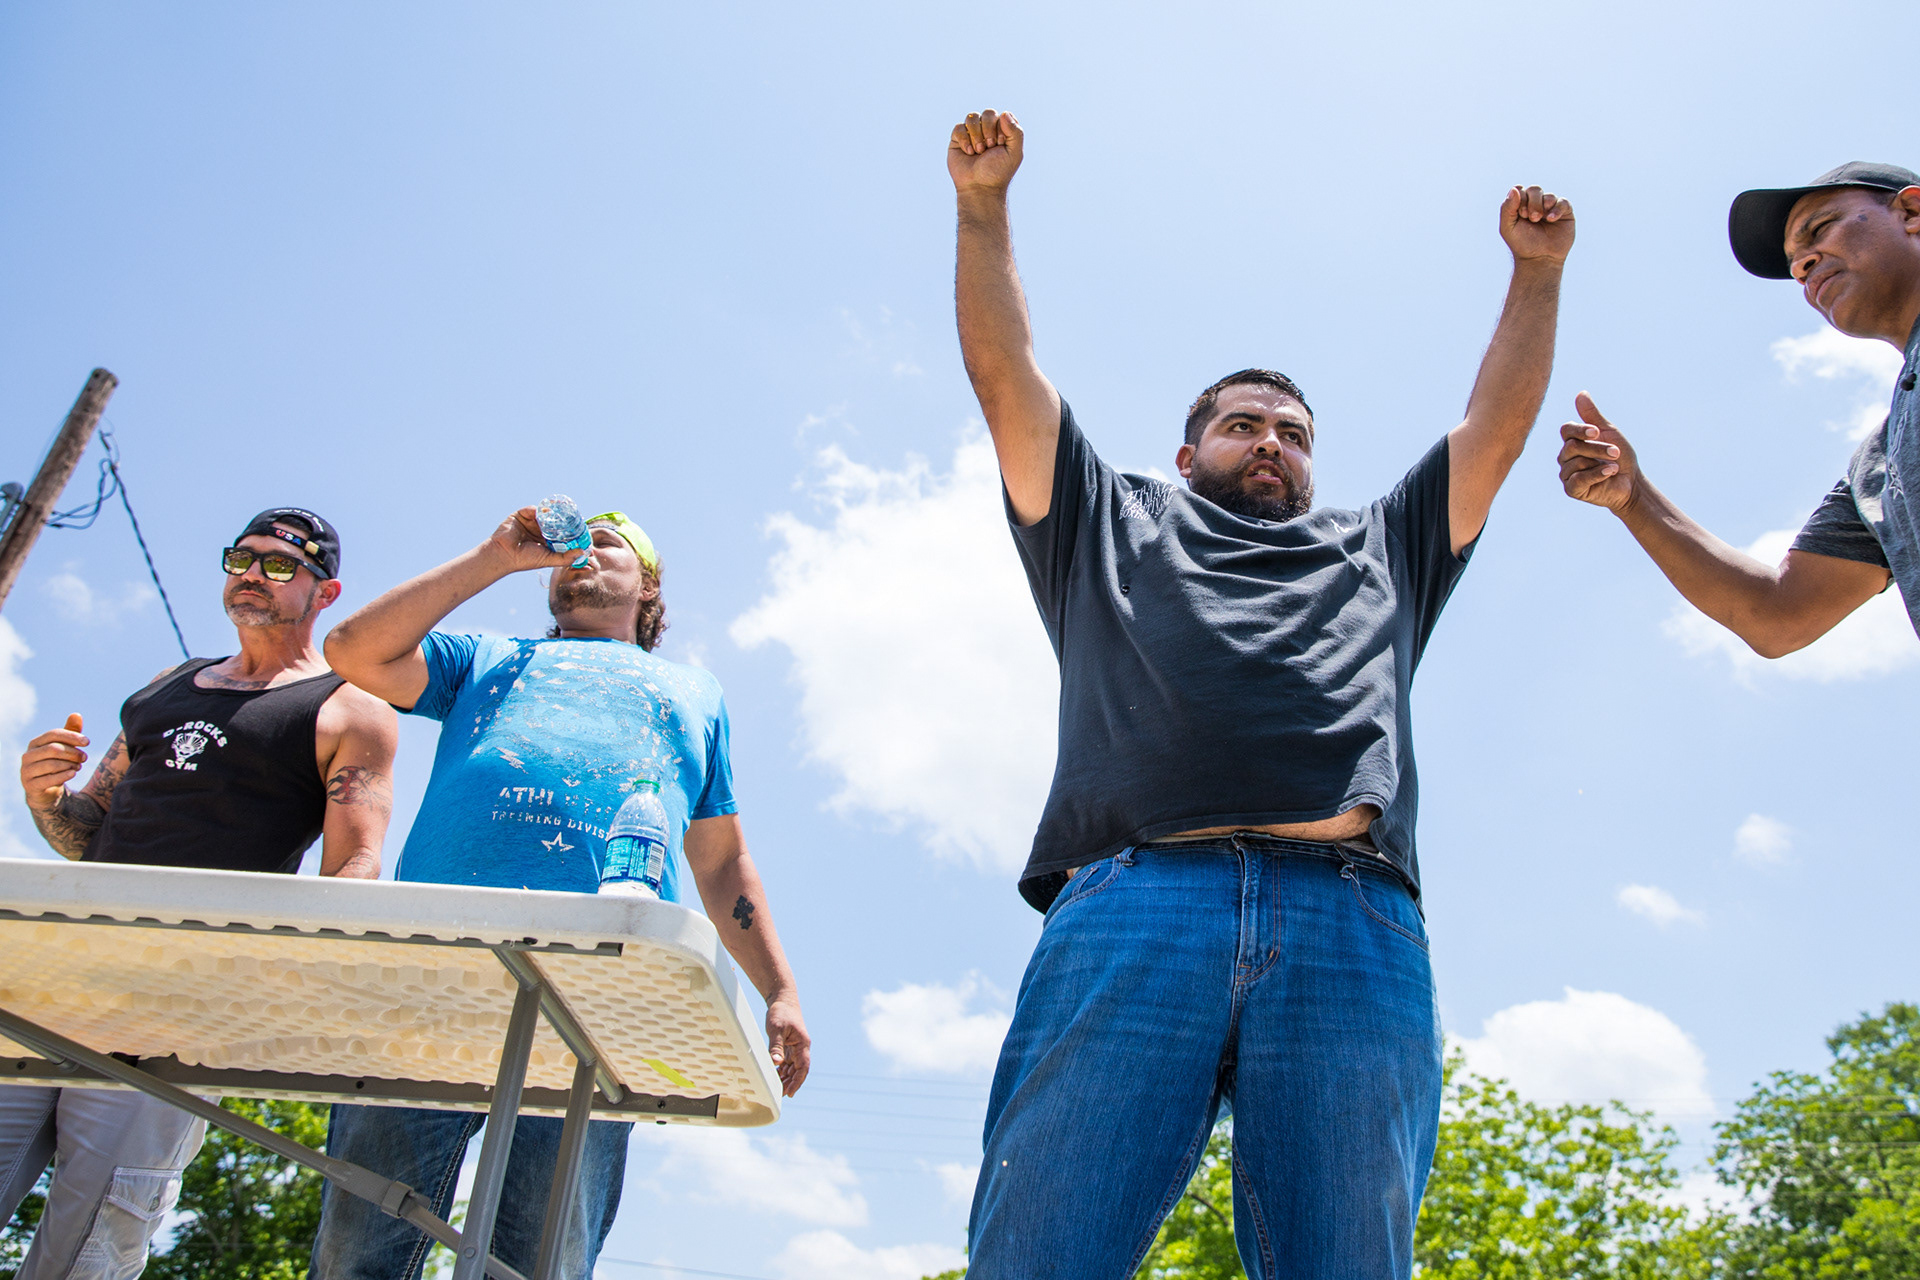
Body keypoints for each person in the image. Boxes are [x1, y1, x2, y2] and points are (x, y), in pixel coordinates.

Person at [946, 109, 1575, 1279]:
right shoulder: (1104, 518)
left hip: (1352, 917)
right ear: (1190, 455)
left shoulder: (1385, 541)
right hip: (1141, 900)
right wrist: (984, 209)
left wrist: (1535, 276)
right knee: (1041, 1249)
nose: (1271, 441)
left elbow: (1495, 426)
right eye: (1243, 426)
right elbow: (1006, 378)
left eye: (1291, 430)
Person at [311, 505, 810, 1280]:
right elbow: (351, 649)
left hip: (602, 989)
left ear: (646, 584)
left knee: (540, 1257)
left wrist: (779, 989)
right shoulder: (488, 658)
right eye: (571, 547)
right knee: (360, 1246)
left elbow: (720, 861)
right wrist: (492, 557)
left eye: (606, 543)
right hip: (436, 966)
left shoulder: (695, 692)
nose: (581, 553)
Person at [5, 507, 396, 1280]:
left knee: (90, 1247)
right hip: (52, 988)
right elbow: (90, 830)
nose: (253, 573)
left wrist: (257, 987)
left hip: (174, 1014)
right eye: (241, 557)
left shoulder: (350, 711)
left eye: (281, 564)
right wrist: (43, 796)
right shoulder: (165, 685)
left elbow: (354, 872)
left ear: (326, 591)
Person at [1558, 162, 1919, 650]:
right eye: (1794, 266)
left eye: (1819, 229)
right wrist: (1634, 497)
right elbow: (1779, 615)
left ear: (1912, 211)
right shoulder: (1878, 462)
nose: (1801, 267)